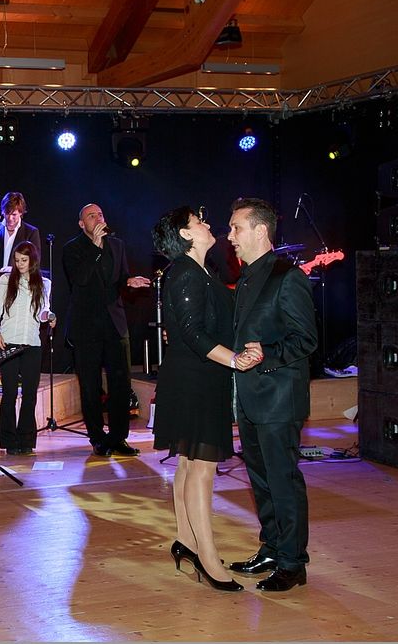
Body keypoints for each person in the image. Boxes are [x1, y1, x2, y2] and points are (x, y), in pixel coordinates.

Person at [150, 206, 262, 593]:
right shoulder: (185, 272)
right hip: (195, 381)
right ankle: (208, 557)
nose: (208, 225)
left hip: (196, 378)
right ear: (185, 234)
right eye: (199, 222)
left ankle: (187, 540)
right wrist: (234, 359)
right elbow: (194, 333)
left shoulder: (198, 271)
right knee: (202, 470)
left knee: (189, 464)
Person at [226, 197, 318, 592]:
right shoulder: (247, 277)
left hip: (279, 398)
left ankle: (293, 563)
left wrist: (268, 354)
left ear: (260, 230)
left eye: (236, 228)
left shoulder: (287, 277)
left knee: (282, 481)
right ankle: (272, 548)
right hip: (252, 398)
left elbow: (306, 339)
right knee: (261, 481)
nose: (230, 236)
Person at [62, 203, 150, 456]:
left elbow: (118, 278)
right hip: (86, 326)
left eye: (100, 214)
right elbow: (80, 279)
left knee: (120, 383)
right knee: (90, 386)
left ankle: (119, 437)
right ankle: (98, 438)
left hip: (114, 323)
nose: (98, 218)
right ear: (82, 224)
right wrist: (95, 247)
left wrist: (128, 281)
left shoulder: (117, 245)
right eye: (91, 216)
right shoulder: (72, 248)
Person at [0, 241, 55, 456]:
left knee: (29, 394)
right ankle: (9, 440)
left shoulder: (44, 283)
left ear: (32, 260)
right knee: (9, 393)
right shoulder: (6, 280)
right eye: (17, 260)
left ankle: (26, 439)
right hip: (8, 342)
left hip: (32, 343)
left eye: (24, 260)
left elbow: (43, 312)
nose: (20, 264)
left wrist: (50, 316)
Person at [0, 191, 42, 272]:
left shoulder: (31, 232)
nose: (10, 218)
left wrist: (14, 269)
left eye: (14, 214)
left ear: (21, 213)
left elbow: (34, 260)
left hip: (19, 278)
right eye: (7, 213)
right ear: (3, 212)